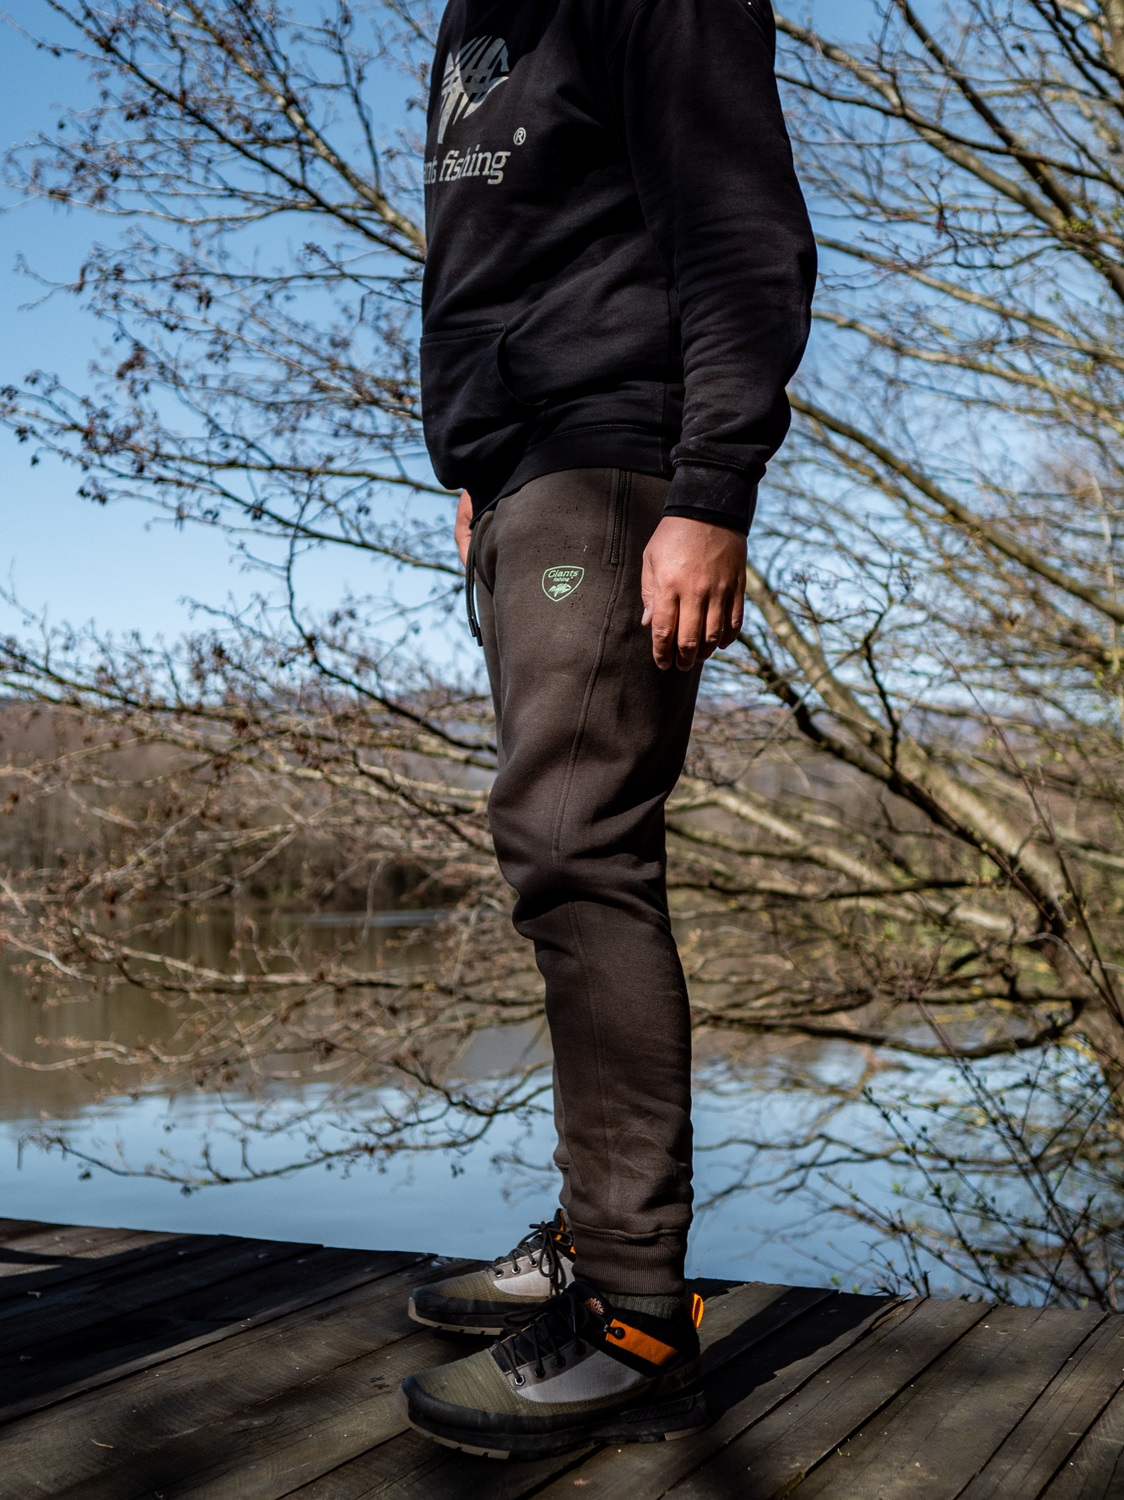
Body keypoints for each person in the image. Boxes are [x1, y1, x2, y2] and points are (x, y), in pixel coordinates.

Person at [396, 0, 815, 1460]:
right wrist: (475, 460)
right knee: (551, 850)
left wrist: (711, 489)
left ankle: (635, 1309)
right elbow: (499, 256)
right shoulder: (476, 17)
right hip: (522, 473)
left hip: (617, 458)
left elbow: (741, 228)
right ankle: (591, 1238)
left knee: (577, 844)